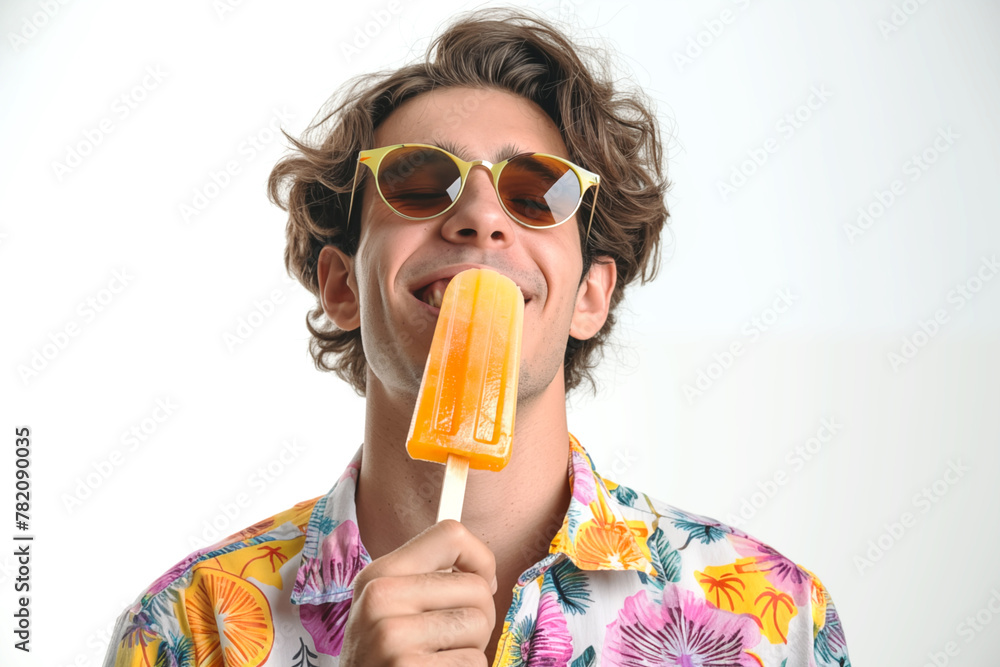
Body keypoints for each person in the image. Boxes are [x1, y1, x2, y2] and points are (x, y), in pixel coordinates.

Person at [104, 9, 849, 666]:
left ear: (591, 294)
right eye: (421, 181)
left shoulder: (771, 625)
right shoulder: (188, 630)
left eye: (536, 192)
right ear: (341, 287)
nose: (483, 217)